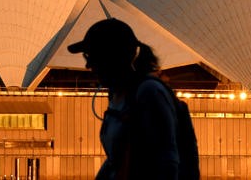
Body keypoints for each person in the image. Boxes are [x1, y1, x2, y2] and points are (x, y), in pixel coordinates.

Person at [68, 18, 180, 180]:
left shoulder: (148, 92)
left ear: (112, 57)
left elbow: (167, 160)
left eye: (91, 56)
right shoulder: (116, 94)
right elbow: (115, 161)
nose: (88, 65)